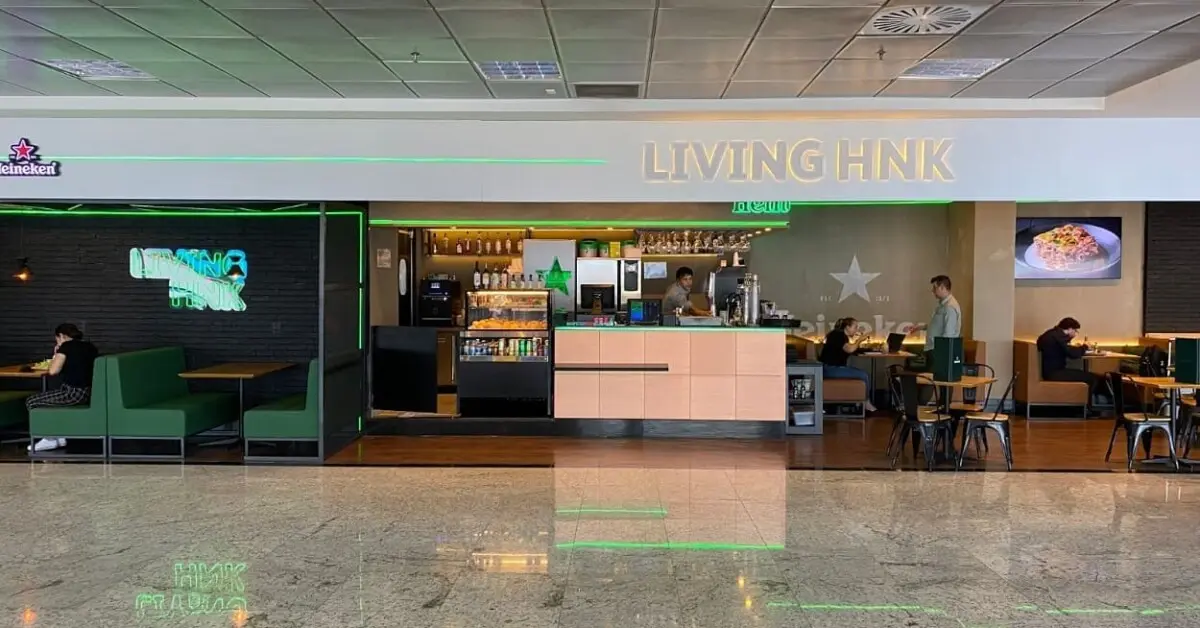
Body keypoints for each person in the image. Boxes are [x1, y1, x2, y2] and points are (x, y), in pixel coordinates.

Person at [26, 323, 99, 452]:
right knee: (49, 401)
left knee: (32, 401)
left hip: (74, 393)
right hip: (89, 392)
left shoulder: (66, 346)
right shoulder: (89, 346)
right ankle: (58, 437)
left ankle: (49, 439)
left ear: (61, 336)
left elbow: (53, 371)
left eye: (57, 339)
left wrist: (57, 352)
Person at [1036, 317, 1105, 406]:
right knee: (1092, 378)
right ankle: (1088, 406)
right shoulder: (1059, 337)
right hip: (1055, 373)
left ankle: (1087, 404)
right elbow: (1073, 354)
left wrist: (1071, 341)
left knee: (1089, 375)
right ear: (1070, 329)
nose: (1076, 333)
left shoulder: (1050, 334)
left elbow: (1063, 348)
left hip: (1047, 371)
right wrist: (1085, 347)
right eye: (1075, 331)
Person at [819, 317, 878, 413]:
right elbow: (849, 349)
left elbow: (847, 349)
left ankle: (859, 402)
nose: (856, 330)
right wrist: (859, 340)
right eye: (855, 327)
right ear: (847, 327)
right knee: (864, 375)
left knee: (862, 374)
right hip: (830, 369)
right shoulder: (838, 335)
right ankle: (865, 402)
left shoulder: (840, 336)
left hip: (831, 368)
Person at [911, 275, 962, 371]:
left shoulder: (950, 307)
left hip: (938, 352)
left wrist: (940, 354)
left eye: (935, 288)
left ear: (942, 287)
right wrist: (920, 327)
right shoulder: (942, 305)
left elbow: (948, 335)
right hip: (933, 349)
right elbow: (938, 326)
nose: (932, 291)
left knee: (934, 379)